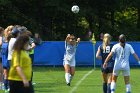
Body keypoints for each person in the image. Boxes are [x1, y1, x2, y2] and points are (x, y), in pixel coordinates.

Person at [1, 25, 13, 91]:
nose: (11, 31)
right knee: (6, 74)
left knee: (8, 74)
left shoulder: (11, 39)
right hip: (6, 59)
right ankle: (6, 87)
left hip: (8, 58)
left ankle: (7, 87)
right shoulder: (3, 39)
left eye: (12, 30)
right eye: (10, 30)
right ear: (7, 31)